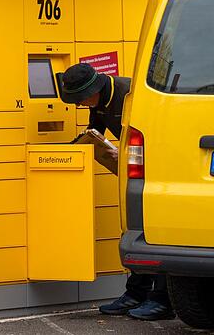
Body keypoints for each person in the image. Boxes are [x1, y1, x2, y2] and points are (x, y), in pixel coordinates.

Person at [59, 63, 174, 321]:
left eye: (80, 99)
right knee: (135, 231)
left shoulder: (132, 94)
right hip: (135, 171)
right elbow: (95, 132)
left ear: (94, 90)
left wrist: (121, 152)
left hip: (159, 172)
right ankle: (136, 294)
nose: (80, 105)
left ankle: (163, 299)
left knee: (157, 232)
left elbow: (158, 134)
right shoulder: (98, 103)